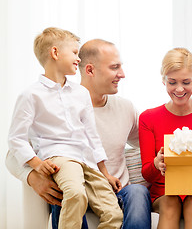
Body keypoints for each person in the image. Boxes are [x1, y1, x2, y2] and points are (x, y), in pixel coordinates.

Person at [6, 38, 152, 229]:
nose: (122, 74)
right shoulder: (53, 104)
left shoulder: (126, 108)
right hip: (72, 185)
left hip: (112, 189)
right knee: (67, 193)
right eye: (115, 67)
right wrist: (33, 177)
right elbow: (12, 153)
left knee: (138, 192)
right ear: (90, 70)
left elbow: (149, 143)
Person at [139, 47, 192, 229]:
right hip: (163, 191)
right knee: (170, 203)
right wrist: (156, 164)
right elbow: (147, 173)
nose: (179, 89)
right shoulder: (148, 118)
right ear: (163, 81)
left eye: (186, 82)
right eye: (172, 82)